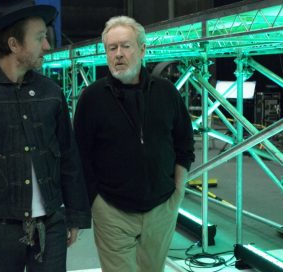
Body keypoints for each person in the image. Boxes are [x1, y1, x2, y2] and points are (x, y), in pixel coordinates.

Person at [0, 0, 91, 271]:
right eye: (39, 38)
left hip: (51, 225)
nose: (47, 46)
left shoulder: (51, 92)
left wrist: (74, 215)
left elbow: (69, 157)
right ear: (14, 45)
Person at [74, 15, 195, 272]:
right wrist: (96, 203)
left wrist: (178, 192)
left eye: (125, 46)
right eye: (112, 48)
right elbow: (80, 155)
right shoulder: (92, 98)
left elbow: (184, 144)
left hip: (162, 207)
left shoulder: (167, 93)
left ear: (142, 50)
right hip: (112, 210)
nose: (118, 54)